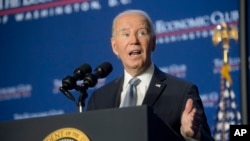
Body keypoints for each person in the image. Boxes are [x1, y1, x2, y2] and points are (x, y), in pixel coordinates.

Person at [86, 9, 214, 141]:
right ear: (114, 46)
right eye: (125, 34)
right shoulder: (99, 99)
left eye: (142, 33)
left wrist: (192, 136)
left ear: (153, 42)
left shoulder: (182, 92)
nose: (134, 40)